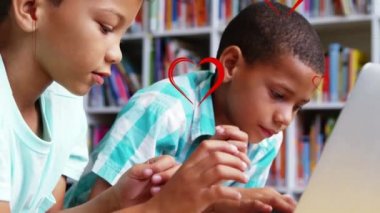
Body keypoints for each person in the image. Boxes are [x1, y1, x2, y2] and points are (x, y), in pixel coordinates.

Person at [0, 0, 260, 212]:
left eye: (122, 37)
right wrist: (160, 208)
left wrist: (114, 201)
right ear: (31, 7)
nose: (117, 54)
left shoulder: (64, 101)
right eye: (105, 27)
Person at [67, 2, 324, 212]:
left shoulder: (267, 138)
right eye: (278, 95)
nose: (285, 119)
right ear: (231, 64)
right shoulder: (161, 110)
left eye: (297, 107)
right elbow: (102, 202)